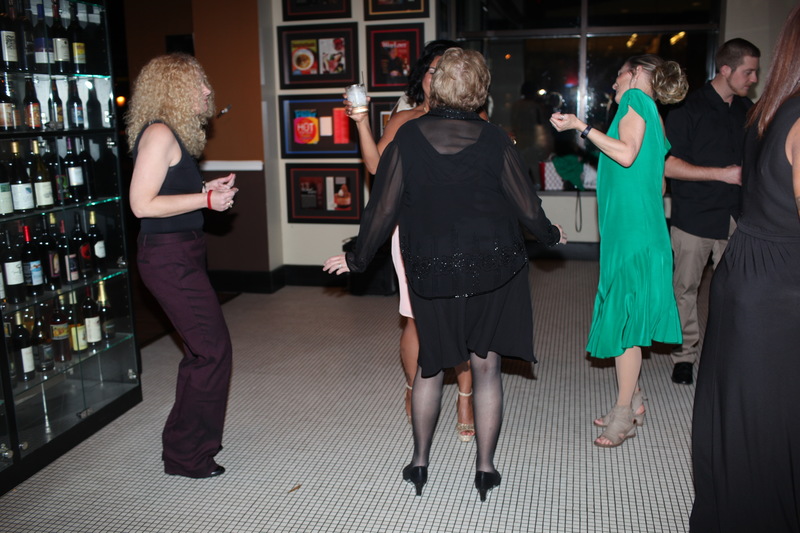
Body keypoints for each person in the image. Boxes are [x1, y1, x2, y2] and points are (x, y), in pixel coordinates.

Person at [325, 48, 566, 501]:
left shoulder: (408, 138)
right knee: (487, 368)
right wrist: (550, 234)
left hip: (431, 270)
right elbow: (527, 205)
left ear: (436, 86)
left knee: (430, 367)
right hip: (493, 270)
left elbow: (382, 208)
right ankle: (486, 469)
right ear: (480, 90)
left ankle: (419, 463)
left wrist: (357, 258)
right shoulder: (495, 139)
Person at [690, 7, 800, 530]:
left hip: (748, 258)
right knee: (770, 414)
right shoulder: (787, 112)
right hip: (776, 279)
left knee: (744, 403)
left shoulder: (765, 110)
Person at [550, 54, 687, 447]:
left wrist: (580, 126)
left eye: (618, 75)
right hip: (639, 229)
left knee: (625, 322)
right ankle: (635, 400)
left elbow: (626, 154)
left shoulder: (635, 100)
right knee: (629, 315)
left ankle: (624, 413)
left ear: (637, 73)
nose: (613, 84)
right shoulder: (654, 113)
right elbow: (658, 181)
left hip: (632, 234)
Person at [344, 40, 476, 443]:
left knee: (465, 317)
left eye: (447, 69)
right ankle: (411, 386)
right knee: (415, 316)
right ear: (423, 76)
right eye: (433, 69)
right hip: (414, 231)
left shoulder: (475, 118)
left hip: (463, 232)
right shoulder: (405, 118)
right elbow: (376, 166)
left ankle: (466, 399)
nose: (439, 76)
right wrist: (361, 122)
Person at [126, 53, 238, 478]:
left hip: (181, 252)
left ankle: (184, 444)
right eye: (197, 84)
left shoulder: (171, 134)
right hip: (168, 256)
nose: (207, 90)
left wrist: (204, 188)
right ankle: (187, 455)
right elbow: (142, 204)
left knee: (200, 349)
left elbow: (168, 191)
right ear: (172, 90)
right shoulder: (159, 133)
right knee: (212, 351)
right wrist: (206, 199)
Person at [664, 38, 760, 385]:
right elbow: (668, 165)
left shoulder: (748, 110)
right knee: (684, 290)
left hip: (736, 217)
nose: (753, 78)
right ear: (725, 69)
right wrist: (723, 174)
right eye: (748, 72)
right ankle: (684, 356)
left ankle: (724, 355)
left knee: (734, 291)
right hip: (695, 216)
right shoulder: (688, 108)